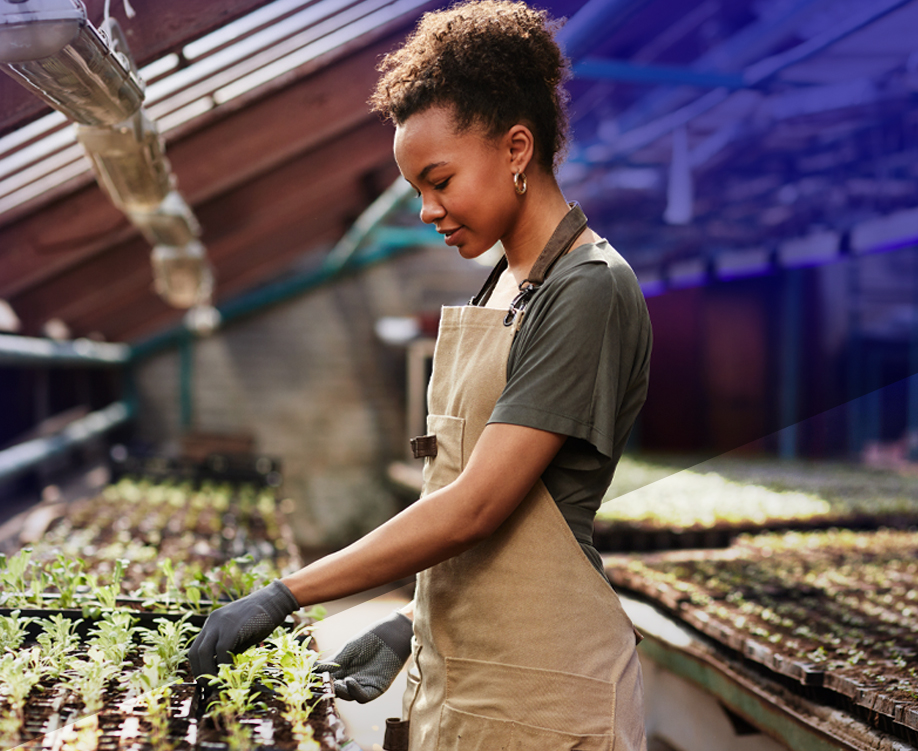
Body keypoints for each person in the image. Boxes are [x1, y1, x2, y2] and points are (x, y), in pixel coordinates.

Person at [187, 1, 653, 749]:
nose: (429, 209)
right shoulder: (501, 281)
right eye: (417, 191)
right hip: (468, 677)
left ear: (516, 148)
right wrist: (413, 620)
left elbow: (478, 505)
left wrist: (287, 592)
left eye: (439, 180)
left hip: (545, 695)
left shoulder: (587, 287)